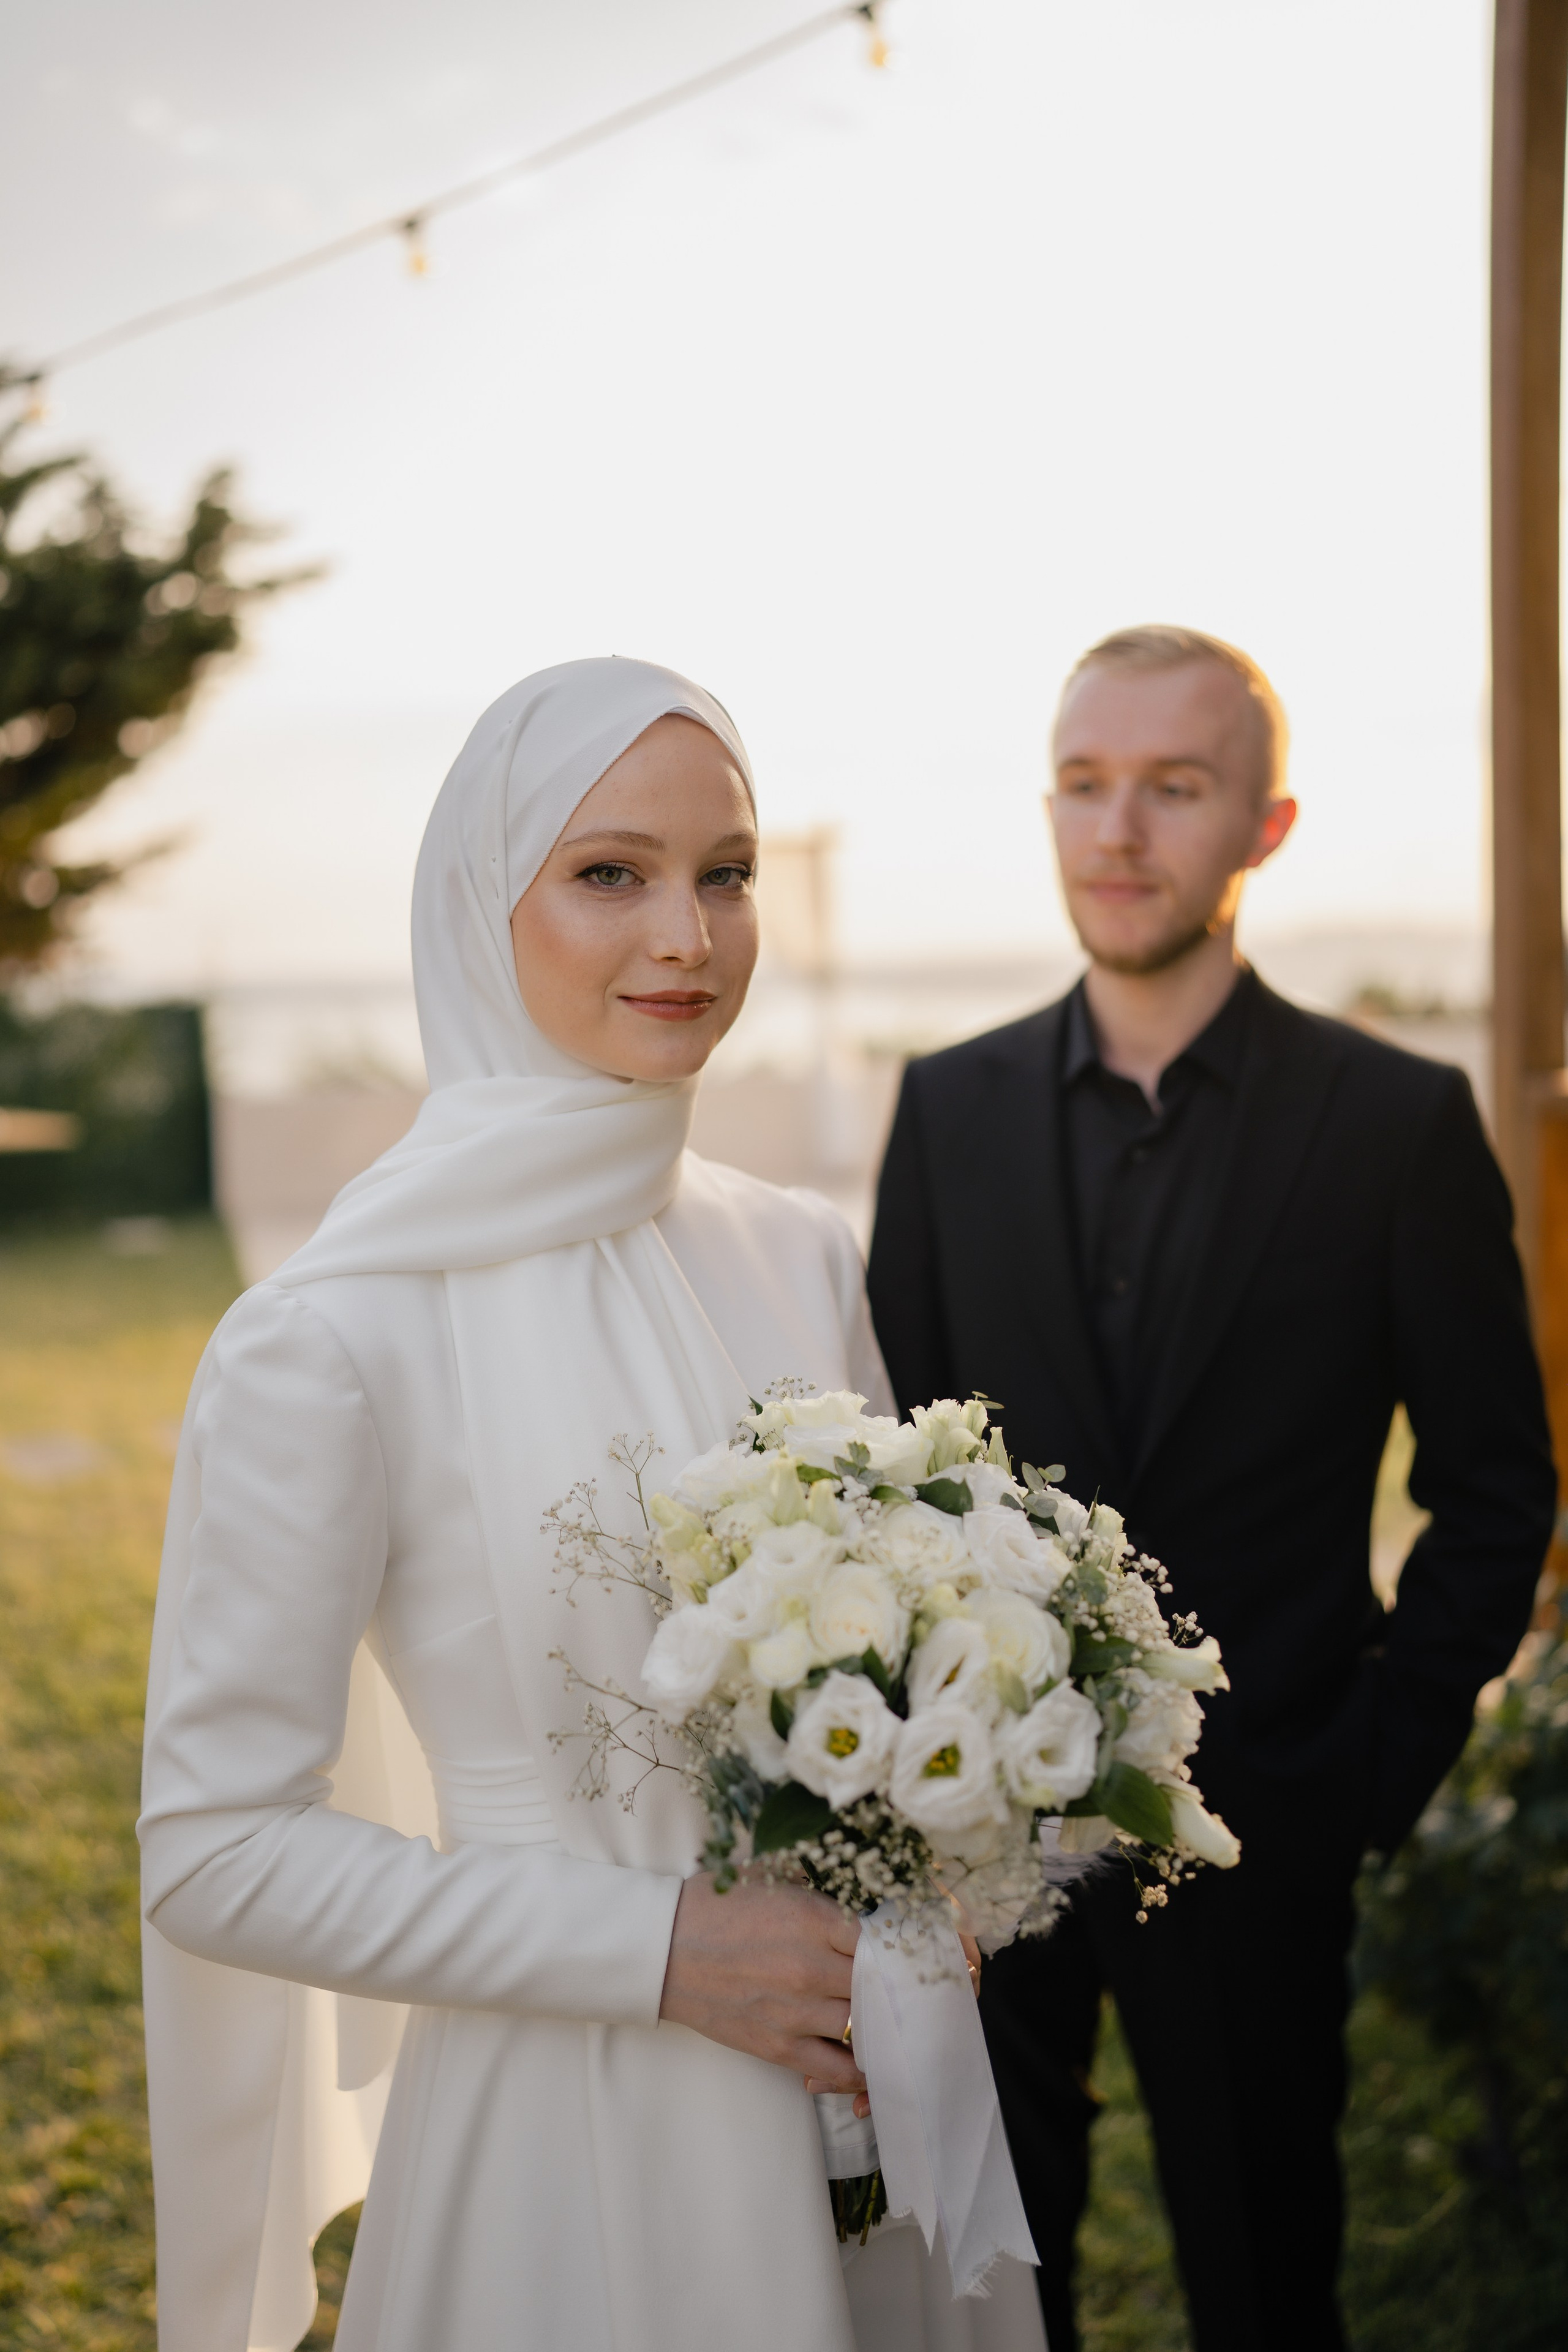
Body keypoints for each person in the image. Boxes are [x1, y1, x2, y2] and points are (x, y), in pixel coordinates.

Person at [138, 658, 1046, 2352]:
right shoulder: (332, 1330)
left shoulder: (795, 1249)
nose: (689, 940)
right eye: (611, 872)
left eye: (728, 872)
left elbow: (884, 1657)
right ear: (485, 902)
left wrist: (942, 1861)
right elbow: (216, 1848)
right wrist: (657, 1950)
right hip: (564, 2125)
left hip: (863, 2098)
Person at [866, 625, 1557, 2352]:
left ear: (1269, 825)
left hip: (1266, 1827)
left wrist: (1366, 1772)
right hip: (985, 1834)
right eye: (1087, 786)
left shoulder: (1398, 1123)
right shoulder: (945, 1113)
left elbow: (1495, 1489)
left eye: (1175, 788)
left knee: (1267, 2274)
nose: (1120, 831)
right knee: (993, 2276)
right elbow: (899, 1476)